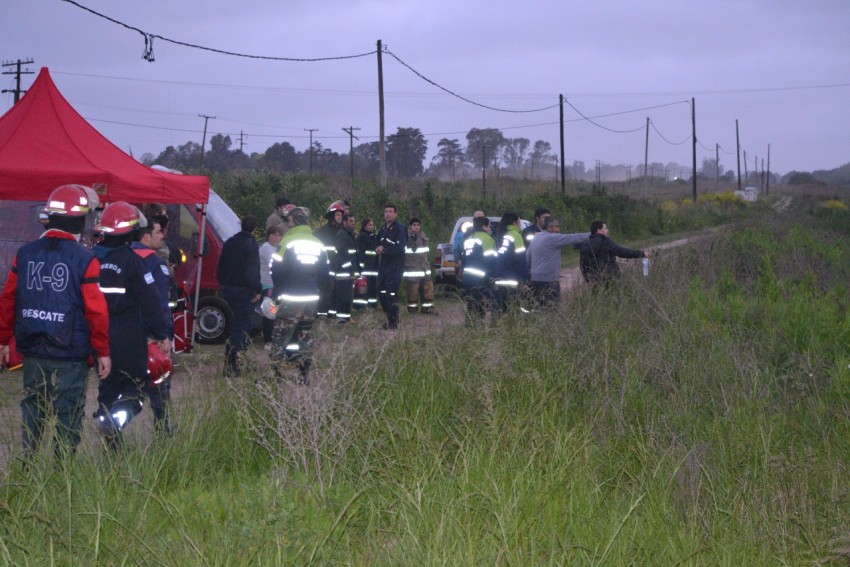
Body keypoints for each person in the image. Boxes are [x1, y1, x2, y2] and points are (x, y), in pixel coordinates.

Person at [0, 185, 111, 456]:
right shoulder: (85, 259)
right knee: (68, 412)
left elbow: (8, 300)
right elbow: (96, 312)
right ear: (81, 220)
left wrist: (3, 340)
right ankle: (62, 469)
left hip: (33, 349)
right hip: (70, 353)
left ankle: (29, 463)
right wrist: (103, 352)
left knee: (33, 406)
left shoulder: (25, 254)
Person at [93, 202, 169, 449]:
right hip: (128, 337)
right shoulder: (133, 262)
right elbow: (151, 301)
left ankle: (111, 444)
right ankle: (113, 424)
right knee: (135, 391)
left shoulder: (91, 258)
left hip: (100, 337)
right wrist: (161, 333)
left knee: (107, 388)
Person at [269, 207, 329, 385]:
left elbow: (276, 269)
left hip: (291, 296)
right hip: (311, 297)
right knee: (305, 334)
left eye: (288, 221)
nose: (287, 224)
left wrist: (278, 291)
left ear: (293, 221)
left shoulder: (288, 241)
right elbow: (325, 273)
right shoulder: (318, 243)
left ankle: (275, 374)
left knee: (280, 335)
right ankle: (304, 375)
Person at [131, 214, 175, 435]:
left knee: (127, 384)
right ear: (146, 236)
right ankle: (163, 426)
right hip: (152, 336)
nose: (162, 236)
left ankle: (113, 427)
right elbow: (159, 304)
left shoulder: (122, 256)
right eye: (158, 232)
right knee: (159, 382)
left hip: (125, 332)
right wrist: (164, 334)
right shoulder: (155, 263)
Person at [216, 215, 262, 377]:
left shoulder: (229, 242)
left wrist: (223, 284)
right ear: (255, 228)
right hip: (244, 290)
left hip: (228, 288)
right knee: (241, 327)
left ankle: (234, 362)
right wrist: (257, 289)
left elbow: (221, 266)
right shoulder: (251, 244)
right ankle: (233, 364)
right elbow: (252, 271)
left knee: (236, 324)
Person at [526, 216, 588, 309]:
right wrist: (594, 234)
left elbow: (527, 257)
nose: (559, 229)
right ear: (551, 227)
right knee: (553, 308)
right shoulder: (553, 238)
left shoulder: (535, 237)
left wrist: (529, 274)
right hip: (549, 280)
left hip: (535, 279)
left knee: (538, 308)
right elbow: (574, 237)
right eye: (557, 226)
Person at [579, 220, 651, 286]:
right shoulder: (605, 241)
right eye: (605, 228)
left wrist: (587, 279)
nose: (607, 230)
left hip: (592, 280)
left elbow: (582, 264)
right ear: (599, 230)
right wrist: (641, 253)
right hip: (610, 279)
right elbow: (622, 252)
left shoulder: (585, 244)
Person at [376, 204, 407, 330]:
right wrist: (377, 248)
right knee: (381, 292)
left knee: (391, 293)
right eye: (386, 211)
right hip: (383, 266)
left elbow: (399, 248)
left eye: (390, 212)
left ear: (395, 214)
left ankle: (393, 321)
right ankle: (389, 316)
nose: (388, 214)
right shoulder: (383, 229)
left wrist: (384, 250)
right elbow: (377, 242)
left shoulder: (400, 229)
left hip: (395, 267)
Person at [461, 216, 497, 324]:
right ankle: (478, 322)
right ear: (484, 226)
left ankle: (470, 323)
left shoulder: (469, 238)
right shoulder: (487, 239)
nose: (490, 229)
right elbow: (491, 260)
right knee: (481, 300)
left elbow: (463, 258)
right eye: (489, 226)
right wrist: (492, 275)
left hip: (467, 275)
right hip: (480, 276)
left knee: (471, 301)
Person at [313, 201, 345, 318]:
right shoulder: (320, 232)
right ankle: (321, 313)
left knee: (338, 291)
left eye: (341, 215)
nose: (340, 217)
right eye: (337, 215)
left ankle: (332, 314)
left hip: (339, 268)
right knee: (325, 291)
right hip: (324, 268)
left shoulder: (343, 232)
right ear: (331, 216)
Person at [493, 211, 528, 313]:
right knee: (514, 311)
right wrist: (524, 280)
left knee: (501, 311)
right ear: (514, 222)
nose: (520, 224)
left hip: (499, 279)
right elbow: (521, 260)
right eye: (519, 221)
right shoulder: (515, 236)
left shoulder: (501, 236)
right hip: (512, 279)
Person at [403, 217, 435, 314]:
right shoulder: (406, 237)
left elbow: (425, 252)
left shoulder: (423, 236)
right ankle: (412, 309)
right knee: (413, 290)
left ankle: (428, 309)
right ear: (410, 226)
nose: (416, 227)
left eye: (418, 225)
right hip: (413, 268)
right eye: (414, 225)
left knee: (428, 289)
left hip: (424, 267)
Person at [259, 224, 284, 348]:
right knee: (270, 312)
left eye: (279, 235)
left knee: (274, 311)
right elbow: (276, 263)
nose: (276, 237)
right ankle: (268, 340)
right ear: (268, 236)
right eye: (273, 234)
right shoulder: (267, 248)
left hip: (275, 285)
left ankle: (271, 338)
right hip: (268, 285)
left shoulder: (277, 248)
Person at [331, 213, 359, 324]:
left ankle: (346, 317)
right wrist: (349, 268)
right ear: (344, 222)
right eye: (350, 221)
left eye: (354, 221)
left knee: (348, 296)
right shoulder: (342, 234)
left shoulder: (349, 234)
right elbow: (342, 253)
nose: (353, 223)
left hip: (348, 271)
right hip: (343, 272)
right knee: (343, 296)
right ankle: (341, 319)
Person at [452, 210, 485, 277]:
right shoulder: (468, 233)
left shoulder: (468, 233)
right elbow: (460, 249)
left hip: (471, 265)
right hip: (475, 264)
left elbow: (459, 249)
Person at [355, 217, 379, 309]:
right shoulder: (362, 236)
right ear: (364, 226)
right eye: (369, 225)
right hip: (366, 267)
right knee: (363, 287)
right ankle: (360, 306)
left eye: (373, 225)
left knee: (373, 287)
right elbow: (361, 252)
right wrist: (361, 266)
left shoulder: (373, 236)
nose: (372, 227)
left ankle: (372, 305)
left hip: (373, 267)